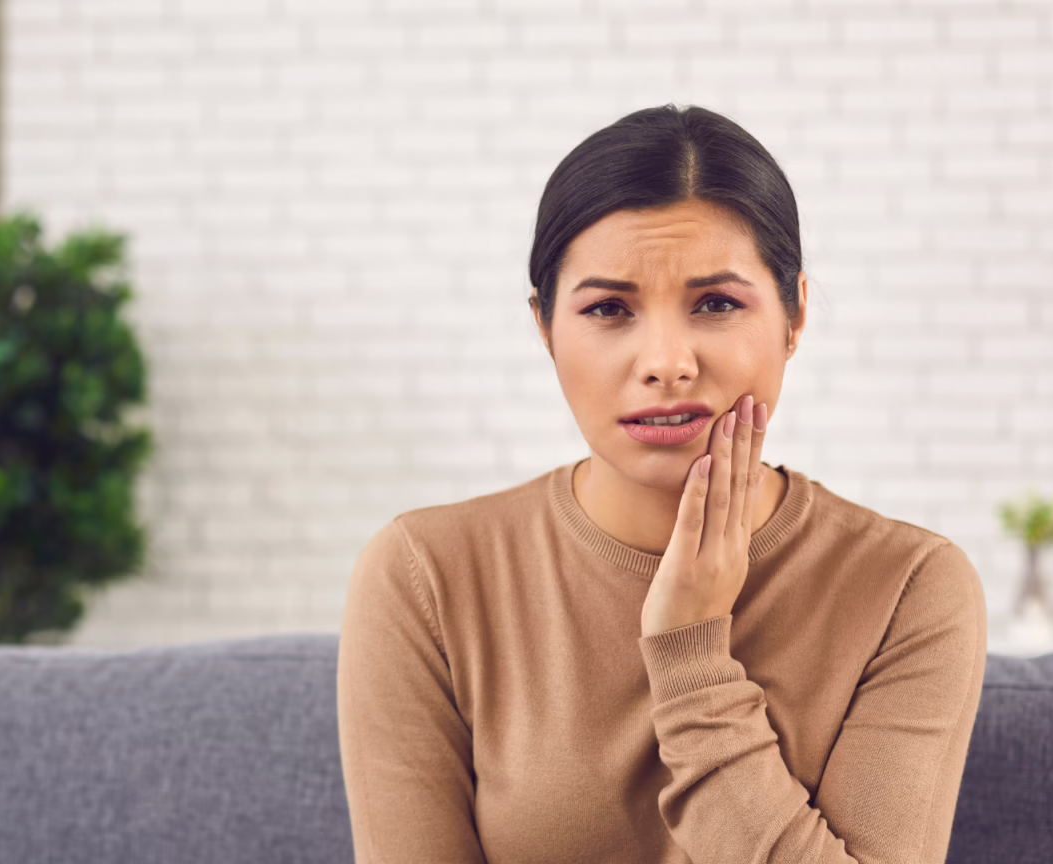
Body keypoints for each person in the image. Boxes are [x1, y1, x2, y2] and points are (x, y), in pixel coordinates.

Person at [336, 103, 988, 864]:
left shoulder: (908, 586)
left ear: (795, 315)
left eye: (716, 304)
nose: (667, 362)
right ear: (545, 328)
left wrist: (691, 657)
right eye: (609, 309)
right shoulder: (427, 574)